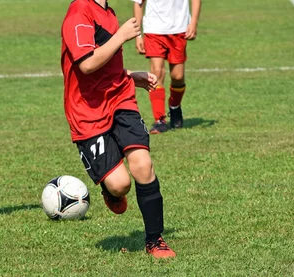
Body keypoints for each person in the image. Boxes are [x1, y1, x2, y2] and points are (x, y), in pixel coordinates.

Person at [61, 0, 176, 258]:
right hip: (86, 111)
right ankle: (110, 191)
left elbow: (108, 64)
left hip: (120, 98)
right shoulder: (79, 11)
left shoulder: (109, 13)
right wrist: (121, 36)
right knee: (120, 185)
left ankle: (154, 240)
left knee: (143, 165)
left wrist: (129, 76)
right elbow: (87, 63)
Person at [133, 0, 201, 134]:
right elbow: (138, 3)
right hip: (153, 29)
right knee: (157, 72)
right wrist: (138, 35)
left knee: (178, 76)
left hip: (179, 29)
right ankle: (160, 120)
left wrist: (193, 23)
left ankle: (174, 106)